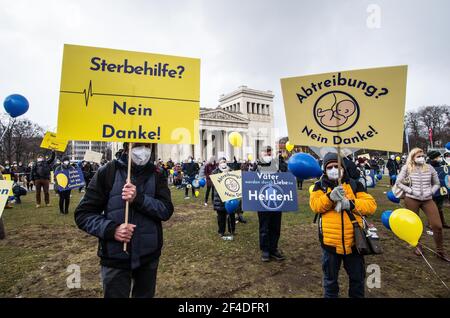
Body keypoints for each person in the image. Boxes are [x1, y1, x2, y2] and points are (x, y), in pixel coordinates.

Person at [75, 142, 174, 298]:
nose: (143, 151)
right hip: (115, 256)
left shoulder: (157, 173)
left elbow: (166, 210)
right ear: (127, 146)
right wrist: (111, 230)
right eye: (138, 146)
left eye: (147, 146)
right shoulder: (107, 172)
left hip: (148, 255)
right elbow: (83, 214)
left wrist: (139, 199)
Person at [310, 152, 377, 298]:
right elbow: (315, 206)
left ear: (343, 168)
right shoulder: (319, 186)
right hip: (330, 245)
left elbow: (371, 206)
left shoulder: (355, 185)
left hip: (354, 244)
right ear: (325, 170)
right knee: (330, 282)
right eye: (330, 167)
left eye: (337, 166)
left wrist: (351, 204)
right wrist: (329, 197)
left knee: (357, 281)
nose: (334, 169)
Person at [395, 148, 449, 262]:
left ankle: (440, 251)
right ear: (413, 157)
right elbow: (398, 182)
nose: (421, 158)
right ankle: (418, 246)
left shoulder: (430, 168)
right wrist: (409, 191)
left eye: (423, 156)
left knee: (437, 225)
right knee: (415, 223)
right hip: (412, 199)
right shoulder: (407, 168)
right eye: (418, 156)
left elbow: (437, 183)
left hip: (428, 199)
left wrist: (431, 191)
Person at [254, 146, 285, 262]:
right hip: (262, 201)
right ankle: (265, 250)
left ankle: (274, 248)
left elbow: (286, 175)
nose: (267, 154)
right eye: (265, 152)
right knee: (264, 227)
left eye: (269, 151)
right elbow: (251, 180)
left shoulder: (277, 164)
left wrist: (280, 160)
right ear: (261, 153)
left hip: (277, 200)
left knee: (276, 226)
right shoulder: (256, 166)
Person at [212, 158, 236, 238]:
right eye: (221, 162)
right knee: (221, 216)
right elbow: (214, 183)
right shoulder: (215, 172)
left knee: (231, 215)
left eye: (224, 162)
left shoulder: (231, 170)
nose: (223, 163)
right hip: (219, 197)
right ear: (219, 163)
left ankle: (232, 230)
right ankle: (221, 231)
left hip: (230, 197)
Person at [427, 150, 449, 229]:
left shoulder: (441, 165)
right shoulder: (428, 166)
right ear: (434, 158)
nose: (440, 158)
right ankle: (431, 224)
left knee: (440, 207)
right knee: (432, 208)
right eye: (438, 157)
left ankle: (443, 223)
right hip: (432, 190)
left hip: (441, 190)